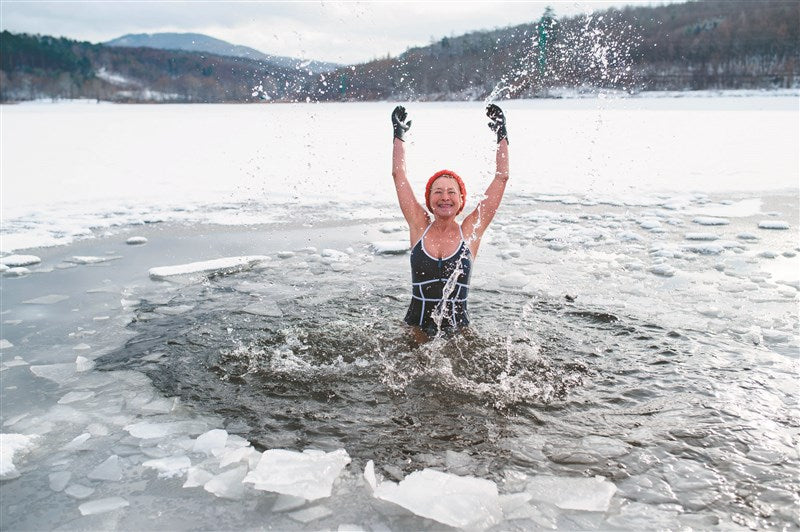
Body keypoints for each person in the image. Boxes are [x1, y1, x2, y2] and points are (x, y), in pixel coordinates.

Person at [391, 103, 510, 339]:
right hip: (415, 330)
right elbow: (399, 175)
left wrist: (502, 134)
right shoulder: (419, 226)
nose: (445, 197)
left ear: (461, 199)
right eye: (438, 191)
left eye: (451, 192)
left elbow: (501, 178)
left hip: (458, 334)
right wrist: (398, 136)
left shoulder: (470, 230)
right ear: (429, 199)